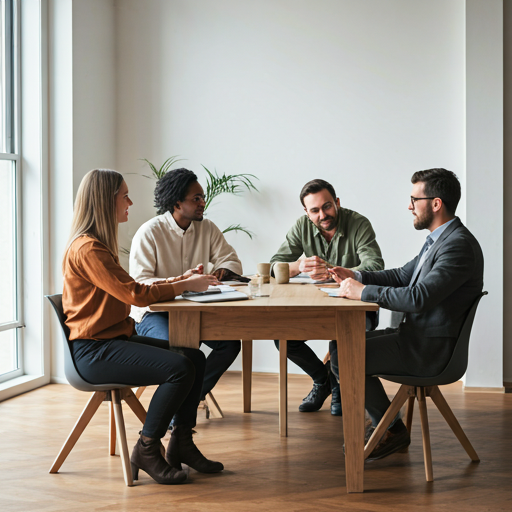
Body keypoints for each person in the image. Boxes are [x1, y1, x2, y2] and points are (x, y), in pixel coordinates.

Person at [62, 169, 224, 486]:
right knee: (180, 368)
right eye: (125, 196)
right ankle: (147, 448)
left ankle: (181, 443)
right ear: (106, 201)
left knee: (195, 358)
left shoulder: (96, 246)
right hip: (94, 352)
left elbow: (133, 286)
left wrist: (180, 280)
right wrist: (184, 285)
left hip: (112, 342)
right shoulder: (88, 249)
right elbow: (136, 295)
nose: (130, 202)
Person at [328, 168, 484, 461]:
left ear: (435, 204)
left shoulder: (457, 246)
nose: (409, 206)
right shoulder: (440, 239)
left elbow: (419, 298)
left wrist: (362, 292)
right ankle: (386, 423)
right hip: (417, 337)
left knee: (343, 355)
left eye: (415, 199)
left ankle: (391, 428)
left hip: (429, 351)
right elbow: (402, 275)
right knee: (340, 346)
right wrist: (357, 274)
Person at [270, 179, 384, 415]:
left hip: (354, 308)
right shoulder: (301, 226)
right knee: (280, 336)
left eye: (327, 206)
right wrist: (298, 265)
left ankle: (340, 387)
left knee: (340, 338)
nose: (323, 214)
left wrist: (333, 270)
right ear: (306, 212)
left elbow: (375, 267)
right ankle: (325, 382)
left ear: (337, 203)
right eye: (315, 210)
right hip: (314, 307)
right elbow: (275, 265)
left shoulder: (359, 223)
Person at [130, 168, 243, 404]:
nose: (203, 202)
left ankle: (188, 400)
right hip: (154, 314)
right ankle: (179, 412)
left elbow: (231, 260)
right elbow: (141, 283)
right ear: (177, 202)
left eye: (202, 197)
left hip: (193, 311)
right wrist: (183, 282)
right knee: (177, 353)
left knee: (230, 345)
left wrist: (222, 271)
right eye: (196, 198)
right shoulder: (149, 232)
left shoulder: (207, 228)